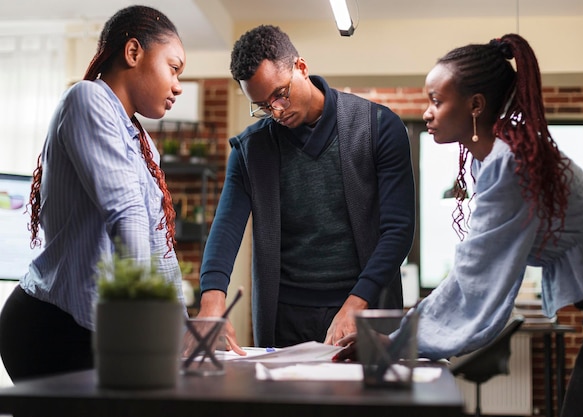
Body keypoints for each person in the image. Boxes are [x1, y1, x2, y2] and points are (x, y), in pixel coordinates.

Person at [334, 33, 583, 416]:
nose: (427, 112)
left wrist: (397, 341)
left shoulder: (510, 161)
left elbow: (474, 273)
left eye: (437, 101)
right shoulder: (488, 161)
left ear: (475, 105)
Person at [198, 25, 415, 352]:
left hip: (366, 308)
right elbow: (226, 227)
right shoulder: (251, 150)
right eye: (262, 105)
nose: (276, 111)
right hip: (285, 318)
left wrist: (357, 303)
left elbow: (398, 229)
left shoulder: (379, 128)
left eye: (279, 94)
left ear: (301, 67)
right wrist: (212, 301)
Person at [0, 5, 188, 382]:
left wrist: (185, 328)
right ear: (133, 53)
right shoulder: (86, 99)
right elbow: (127, 213)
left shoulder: (144, 143)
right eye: (173, 67)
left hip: (99, 328)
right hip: (52, 325)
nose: (178, 85)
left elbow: (157, 245)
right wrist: (146, 317)